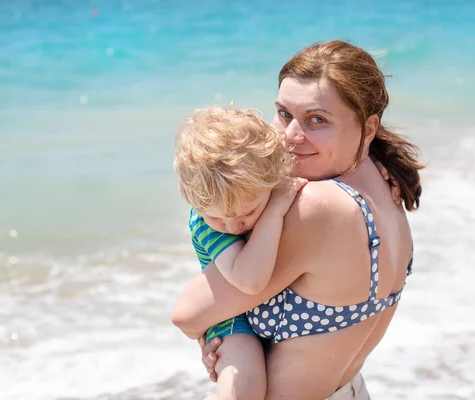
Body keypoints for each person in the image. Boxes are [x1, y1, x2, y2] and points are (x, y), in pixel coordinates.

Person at [172, 40, 424, 399]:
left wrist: (223, 332)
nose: (291, 137)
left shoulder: (316, 206)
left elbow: (188, 313)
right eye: (284, 114)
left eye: (317, 120)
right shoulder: (384, 176)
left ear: (368, 129)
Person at [173, 106, 307, 400]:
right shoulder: (206, 224)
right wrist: (270, 213)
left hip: (268, 312)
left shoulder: (260, 181)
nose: (232, 225)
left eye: (247, 212)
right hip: (232, 320)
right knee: (243, 383)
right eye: (219, 216)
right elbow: (249, 280)